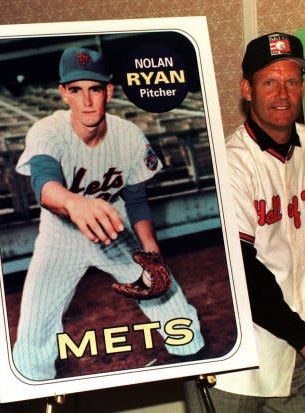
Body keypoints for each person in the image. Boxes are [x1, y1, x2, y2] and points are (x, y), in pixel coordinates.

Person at [11, 47, 204, 380]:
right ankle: (34, 393)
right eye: (76, 90)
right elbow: (44, 185)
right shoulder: (48, 131)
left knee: (169, 301)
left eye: (95, 89)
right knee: (33, 329)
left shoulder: (127, 135)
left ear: (109, 92)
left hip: (114, 230)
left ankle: (199, 370)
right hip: (61, 236)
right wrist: (74, 203)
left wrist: (151, 250)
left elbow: (136, 198)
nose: (86, 100)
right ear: (63, 94)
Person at [185, 32, 305, 413]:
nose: (282, 94)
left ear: (303, 87)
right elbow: (239, 268)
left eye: (291, 81)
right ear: (247, 89)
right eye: (269, 82)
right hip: (236, 362)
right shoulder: (231, 162)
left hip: (302, 356)